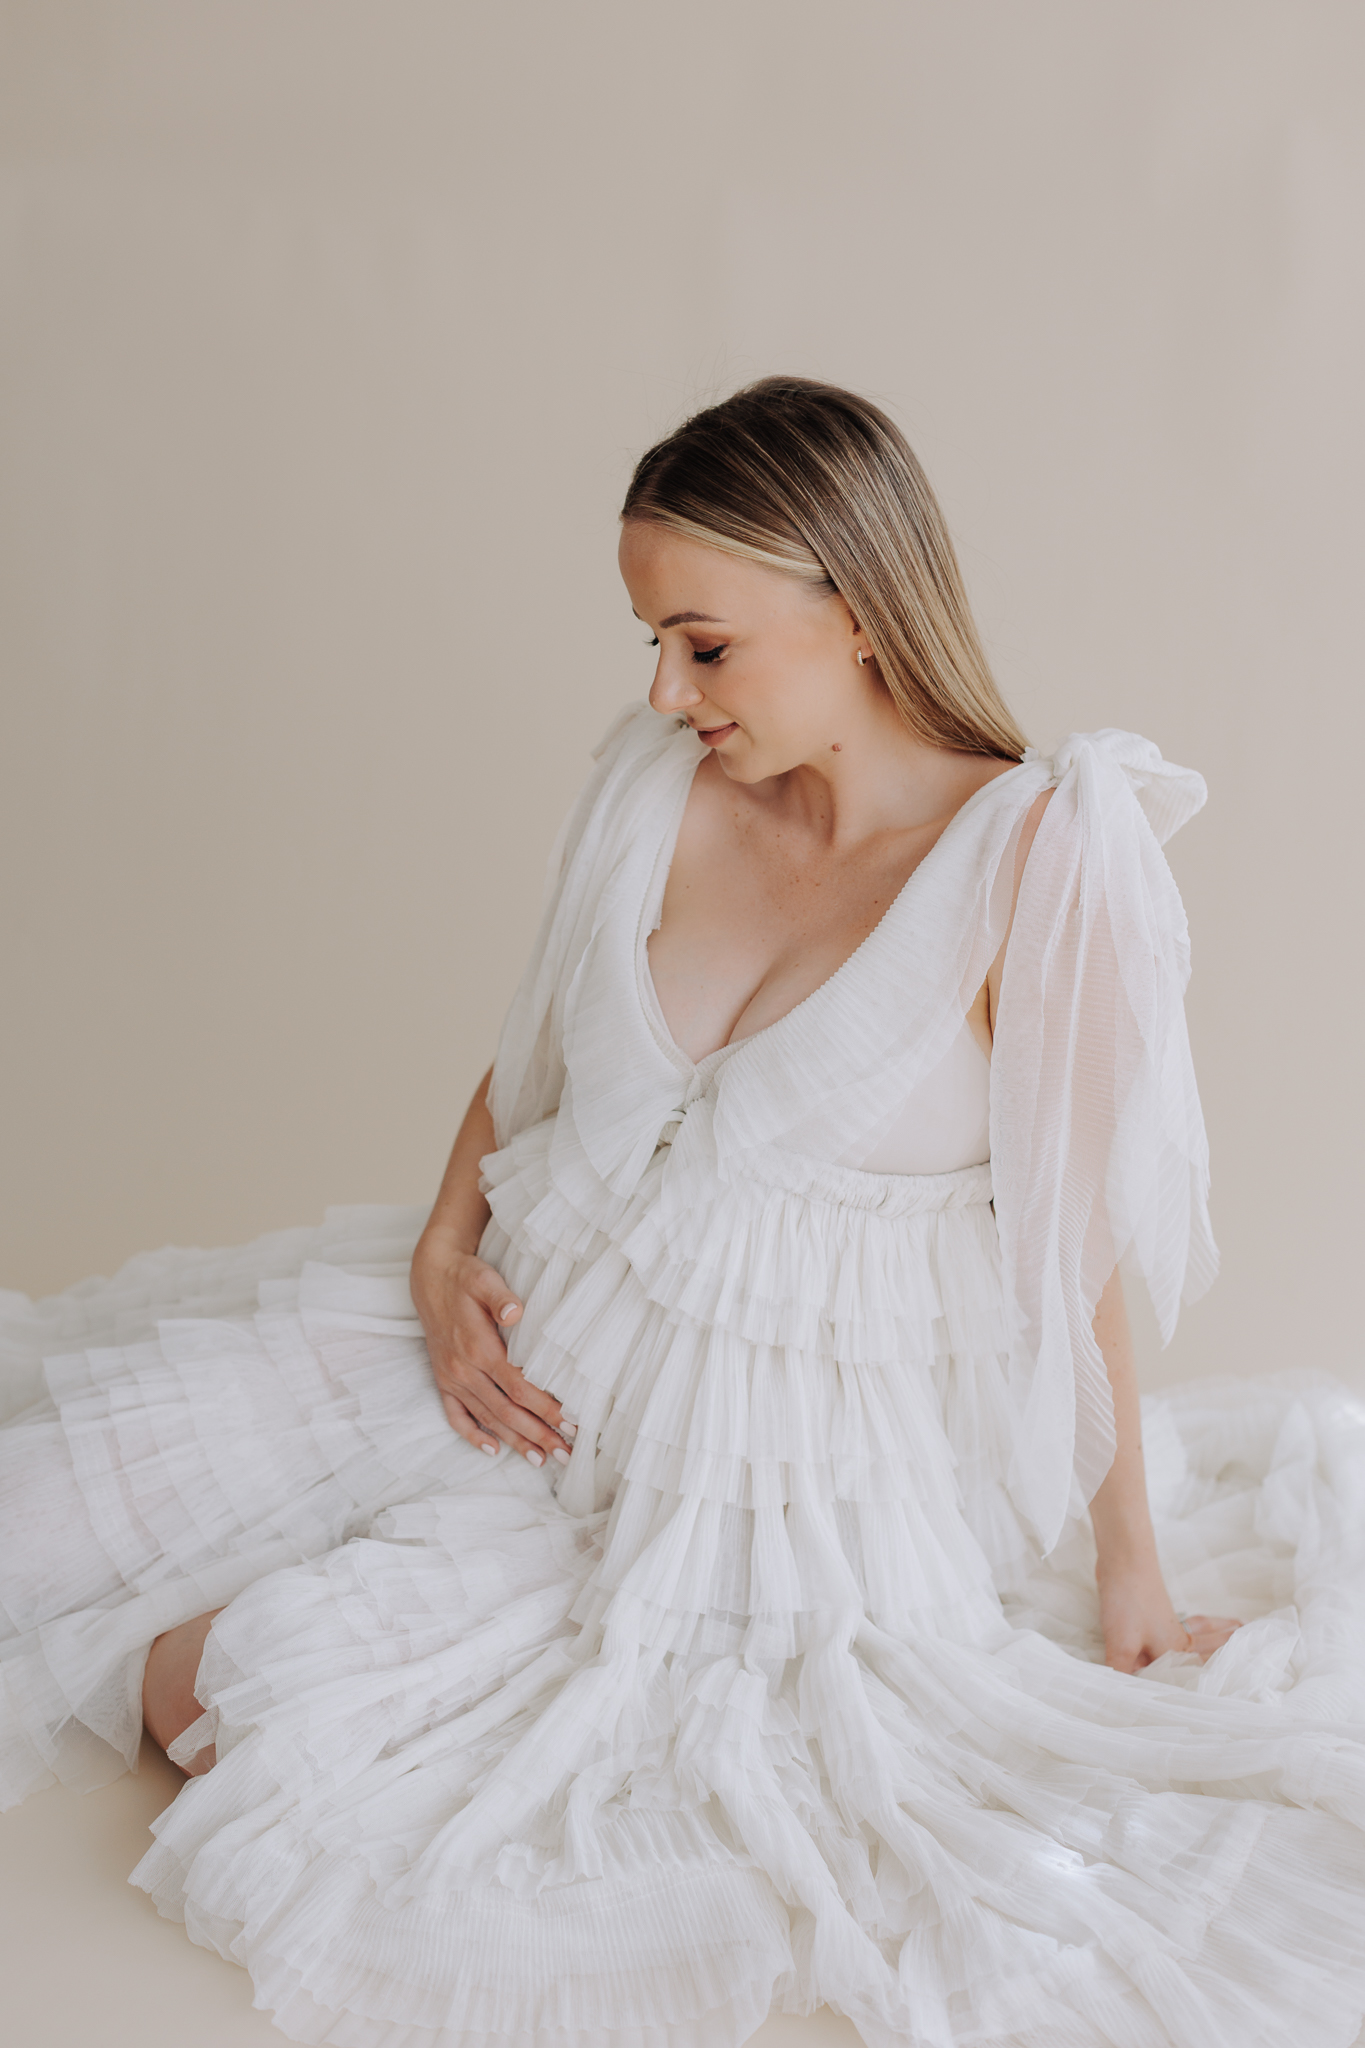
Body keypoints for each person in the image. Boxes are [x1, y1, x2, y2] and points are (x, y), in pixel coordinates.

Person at [2, 377, 1362, 2048]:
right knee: (56, 1504)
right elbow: (530, 1064)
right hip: (517, 1349)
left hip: (766, 1475)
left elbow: (1067, 1246)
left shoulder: (1028, 859)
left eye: (703, 645)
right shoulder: (655, 783)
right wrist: (441, 1252)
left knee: (248, 1702)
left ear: (853, 612)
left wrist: (1129, 1571)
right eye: (650, 640)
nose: (664, 688)